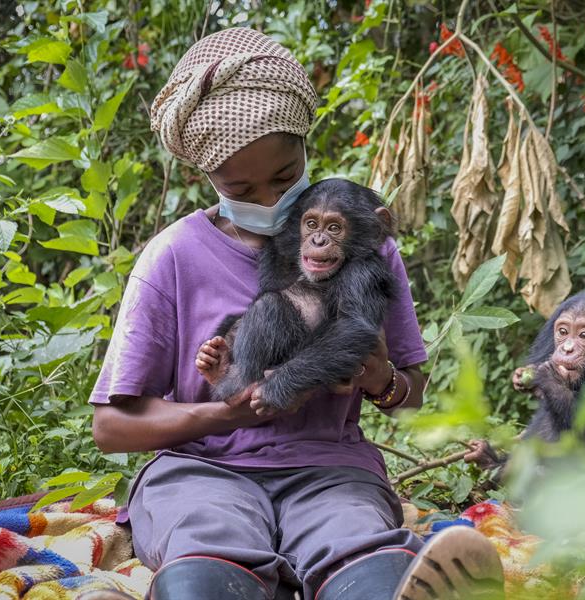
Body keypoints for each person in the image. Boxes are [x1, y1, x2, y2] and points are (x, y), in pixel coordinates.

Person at [89, 27, 430, 600]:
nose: (271, 203)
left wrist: (382, 378)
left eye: (284, 178)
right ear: (209, 179)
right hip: (200, 473)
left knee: (371, 570)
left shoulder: (364, 244)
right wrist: (226, 416)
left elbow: (413, 392)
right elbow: (111, 426)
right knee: (205, 573)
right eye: (241, 186)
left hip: (331, 473)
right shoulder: (173, 255)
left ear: (304, 150)